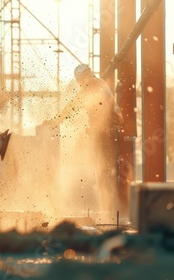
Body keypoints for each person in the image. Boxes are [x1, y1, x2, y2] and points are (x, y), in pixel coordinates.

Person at [55, 64, 124, 214]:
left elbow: (74, 105)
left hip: (105, 133)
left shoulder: (91, 84)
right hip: (111, 132)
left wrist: (57, 120)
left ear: (81, 77)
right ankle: (111, 210)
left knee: (103, 171)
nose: (80, 85)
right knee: (109, 170)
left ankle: (109, 211)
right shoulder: (100, 83)